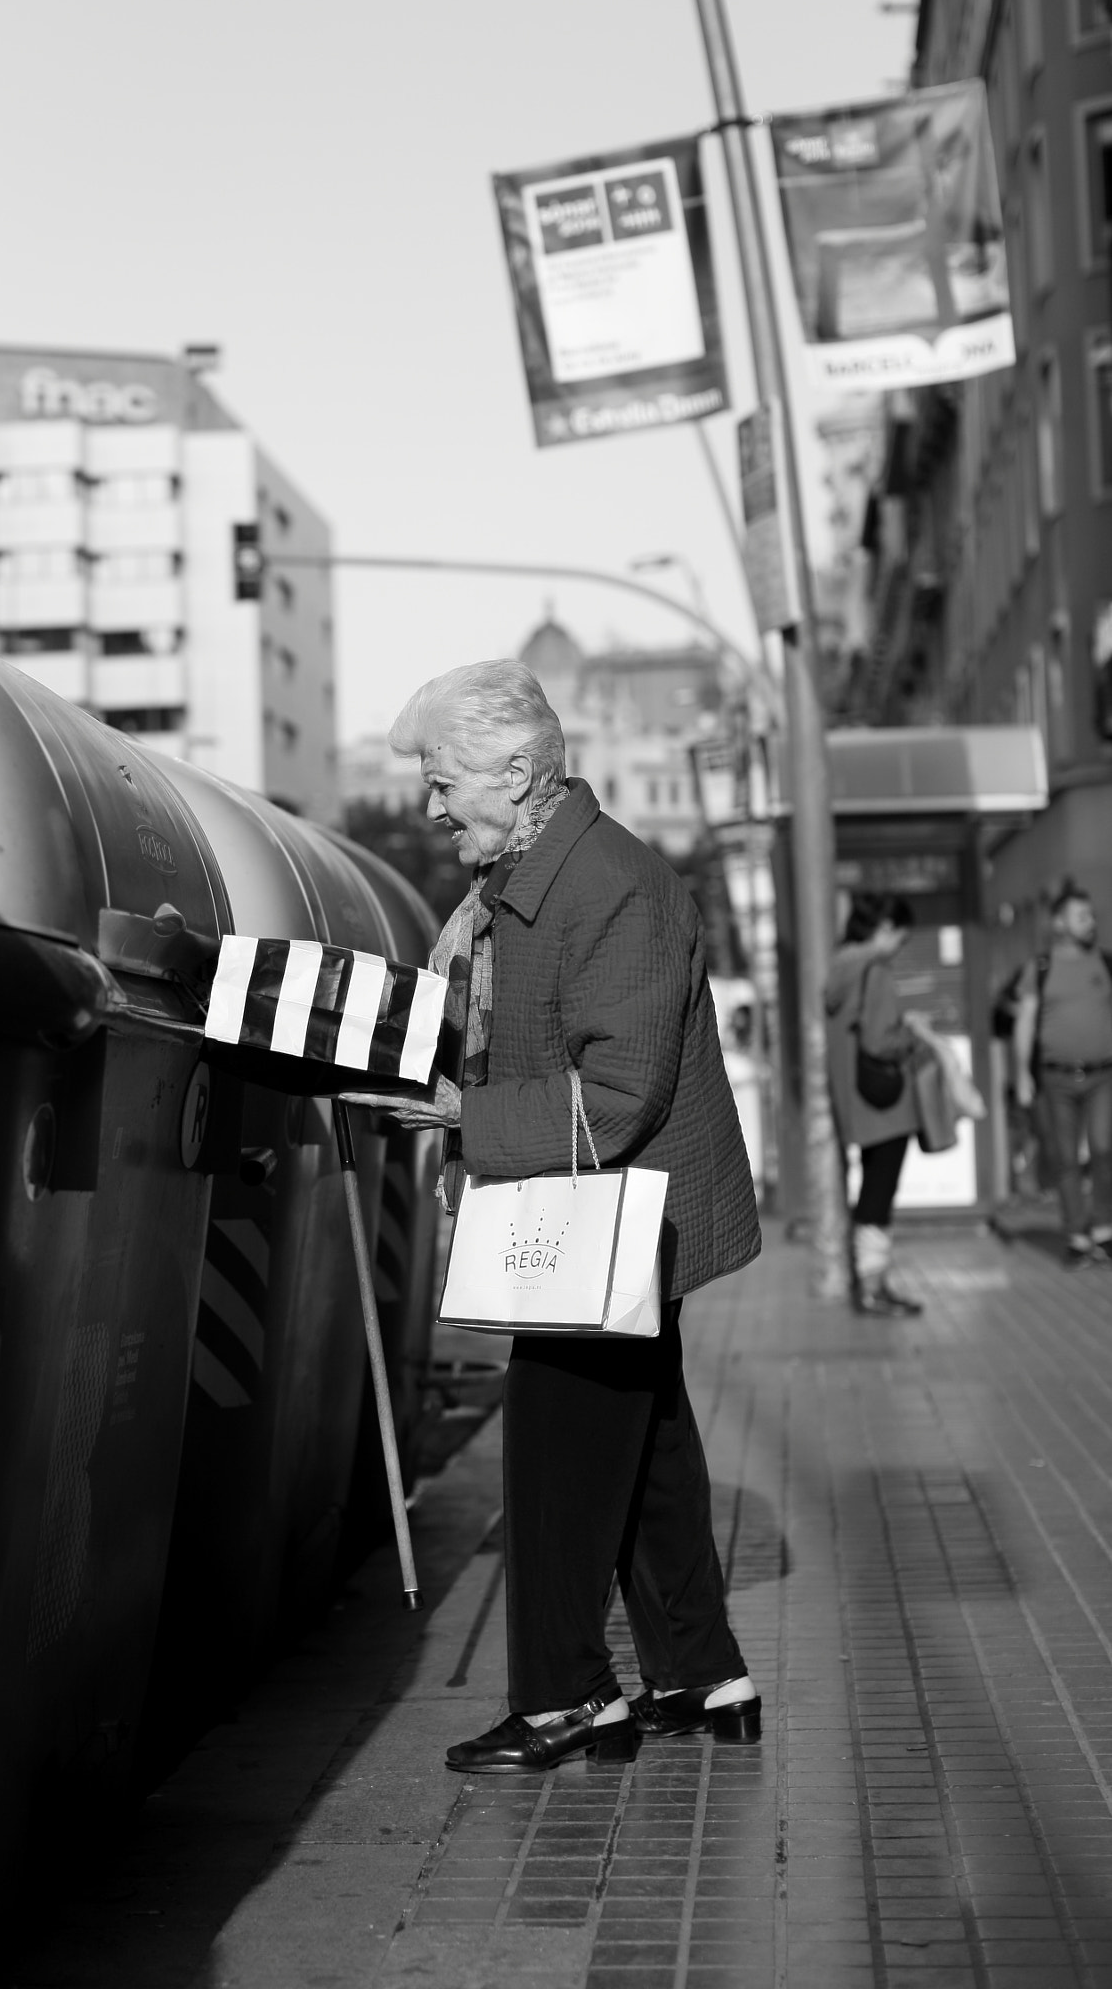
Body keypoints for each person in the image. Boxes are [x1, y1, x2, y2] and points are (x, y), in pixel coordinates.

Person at [352, 660, 762, 1772]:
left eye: (446, 782)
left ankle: (567, 1696)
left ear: (523, 772)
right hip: (605, 1211)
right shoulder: (537, 877)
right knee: (650, 1447)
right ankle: (700, 1673)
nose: (433, 807)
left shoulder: (610, 887)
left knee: (554, 1458)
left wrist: (458, 1114)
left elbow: (618, 1095)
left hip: (602, 1214)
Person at [825, 893, 925, 1317]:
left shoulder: (838, 966)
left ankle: (869, 1283)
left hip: (854, 1098)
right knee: (879, 1197)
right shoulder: (875, 970)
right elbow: (881, 1040)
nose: (899, 948)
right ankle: (874, 1286)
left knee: (870, 1192)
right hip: (884, 1103)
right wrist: (913, 1033)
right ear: (885, 928)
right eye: (901, 939)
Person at [1012, 880, 1112, 1266]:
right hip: (1056, 1078)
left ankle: (1104, 1229)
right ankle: (1076, 1236)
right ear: (1059, 923)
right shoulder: (1040, 968)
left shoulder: (1104, 962)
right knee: (1066, 1158)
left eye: (1092, 915)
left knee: (1104, 1150)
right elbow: (1025, 1023)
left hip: (1104, 1075)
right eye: (1081, 916)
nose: (1090, 922)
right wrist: (1022, 1075)